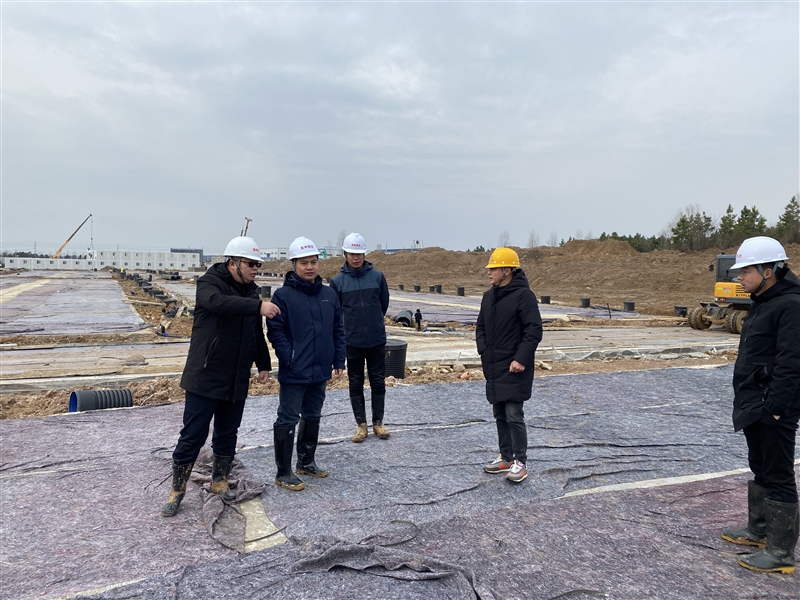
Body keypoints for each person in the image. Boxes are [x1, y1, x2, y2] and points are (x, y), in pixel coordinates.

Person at [161, 236, 279, 517]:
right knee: (193, 434)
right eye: (250, 264)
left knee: (228, 432)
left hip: (236, 376)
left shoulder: (251, 294)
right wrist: (257, 307)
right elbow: (217, 303)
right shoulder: (209, 284)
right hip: (205, 375)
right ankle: (177, 490)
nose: (255, 269)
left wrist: (263, 363)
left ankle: (220, 480)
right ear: (233, 263)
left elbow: (255, 333)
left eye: (258, 265)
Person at [721, 236, 800, 574]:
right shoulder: (761, 301)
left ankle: (781, 552)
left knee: (778, 473)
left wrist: (777, 406)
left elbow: (792, 362)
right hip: (754, 401)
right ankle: (760, 531)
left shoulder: (790, 305)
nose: (739, 277)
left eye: (745, 271)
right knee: (761, 466)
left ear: (768, 271)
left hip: (773, 406)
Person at [267, 236, 346, 491]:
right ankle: (283, 472)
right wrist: (288, 356)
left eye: (313, 262)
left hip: (320, 368)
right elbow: (275, 330)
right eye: (303, 263)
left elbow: (338, 329)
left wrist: (338, 358)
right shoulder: (283, 296)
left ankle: (306, 462)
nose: (309, 267)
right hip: (295, 369)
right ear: (294, 265)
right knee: (288, 417)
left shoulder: (329, 295)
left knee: (313, 414)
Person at [476, 247, 542, 484]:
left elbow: (534, 331)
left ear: (507, 271)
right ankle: (505, 457)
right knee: (500, 414)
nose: (489, 273)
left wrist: (520, 359)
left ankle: (520, 462)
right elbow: (480, 328)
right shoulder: (488, 297)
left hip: (515, 367)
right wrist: (484, 352)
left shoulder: (524, 296)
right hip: (494, 366)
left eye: (493, 269)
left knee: (514, 415)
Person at [330, 233, 391, 443]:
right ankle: (361, 425)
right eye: (352, 254)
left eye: (359, 254)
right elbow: (335, 313)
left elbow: (383, 304)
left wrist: (373, 323)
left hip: (375, 340)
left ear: (364, 254)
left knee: (378, 382)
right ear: (345, 254)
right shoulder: (337, 282)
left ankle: (378, 423)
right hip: (352, 342)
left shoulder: (377, 277)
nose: (355, 258)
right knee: (355, 383)